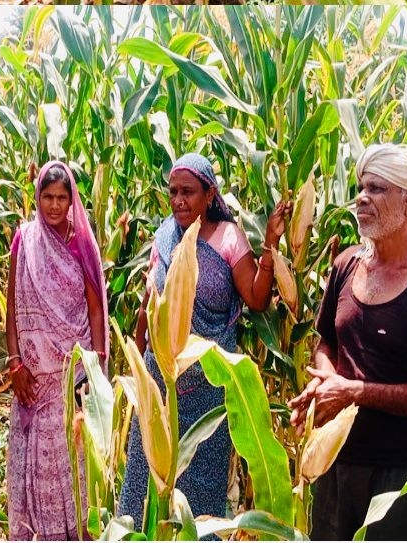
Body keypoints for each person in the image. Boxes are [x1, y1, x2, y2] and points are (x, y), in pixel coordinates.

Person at [287, 144, 407, 540]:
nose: (361, 198)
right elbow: (326, 343)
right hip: (334, 456)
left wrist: (353, 393)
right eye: (360, 188)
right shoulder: (346, 265)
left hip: (398, 472)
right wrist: (326, 384)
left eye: (377, 189)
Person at [118, 153, 290, 529]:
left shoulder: (228, 237)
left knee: (201, 495)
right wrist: (140, 364)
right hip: (161, 382)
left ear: (210, 194)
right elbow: (150, 302)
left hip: (210, 385)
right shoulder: (166, 235)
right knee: (146, 482)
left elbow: (257, 298)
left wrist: (270, 242)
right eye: (173, 192)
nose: (179, 200)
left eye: (188, 192)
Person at [5, 160, 108, 540]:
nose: (53, 205)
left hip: (73, 378)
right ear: (38, 197)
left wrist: (95, 373)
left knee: (75, 474)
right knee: (35, 477)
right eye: (47, 197)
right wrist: (14, 363)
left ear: (71, 200)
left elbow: (95, 311)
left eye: (61, 198)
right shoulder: (25, 240)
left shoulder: (80, 243)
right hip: (32, 383)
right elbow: (12, 307)